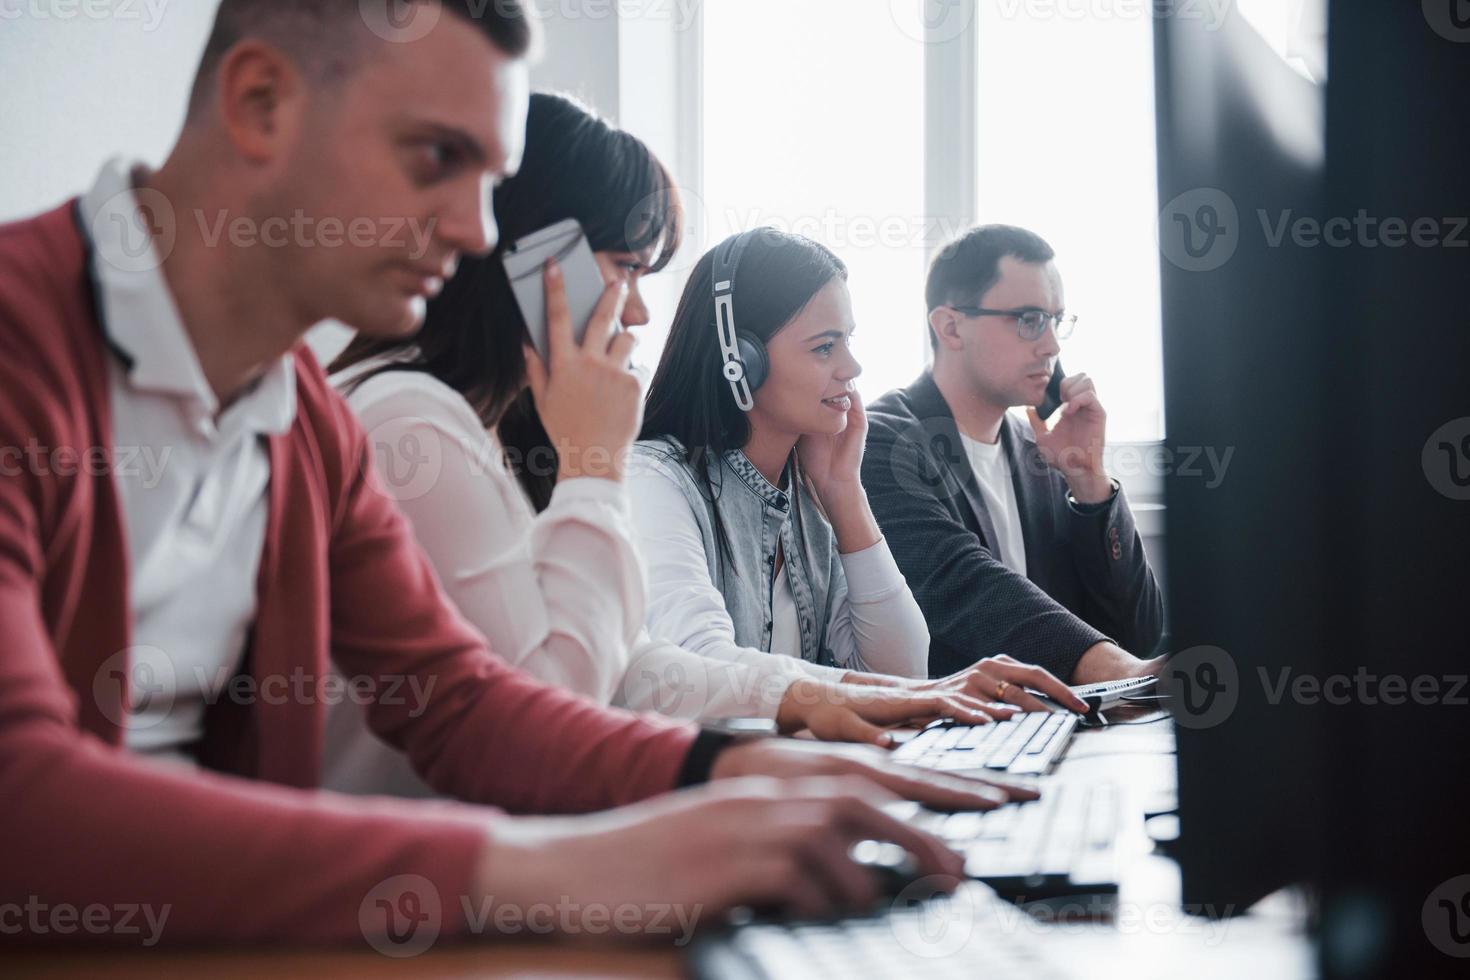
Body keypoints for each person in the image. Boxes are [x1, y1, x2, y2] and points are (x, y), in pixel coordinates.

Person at [0, 2, 1026, 946]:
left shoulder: (304, 412)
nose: (477, 232)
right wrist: (571, 861)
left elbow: (462, 702)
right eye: (435, 157)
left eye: (489, 183)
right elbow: (21, 798)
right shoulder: (24, 340)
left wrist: (729, 767)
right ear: (260, 102)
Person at [321, 95, 1011, 801]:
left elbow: (631, 666)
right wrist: (593, 466)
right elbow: (557, 701)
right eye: (625, 268)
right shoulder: (414, 427)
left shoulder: (500, 431)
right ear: (530, 262)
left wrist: (842, 696)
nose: (640, 310)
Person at [630, 229, 1089, 715]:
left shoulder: (810, 492)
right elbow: (701, 664)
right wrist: (913, 695)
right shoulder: (655, 481)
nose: (852, 367)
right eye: (824, 347)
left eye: (847, 340)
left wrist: (845, 494)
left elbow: (901, 670)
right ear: (740, 362)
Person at [863, 224, 1165, 682]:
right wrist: (1117, 666)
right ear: (950, 327)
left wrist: (1089, 481)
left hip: (1053, 728)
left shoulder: (1041, 452)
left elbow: (1137, 634)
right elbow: (962, 585)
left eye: (1055, 319)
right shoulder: (883, 441)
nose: (1052, 345)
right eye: (1029, 320)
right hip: (949, 735)